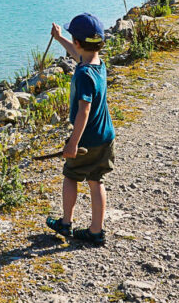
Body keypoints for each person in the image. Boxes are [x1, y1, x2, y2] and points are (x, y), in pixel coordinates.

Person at [45, 13, 115, 246]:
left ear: (78, 42)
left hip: (87, 140)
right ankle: (96, 231)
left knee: (70, 176)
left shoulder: (84, 75)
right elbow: (78, 54)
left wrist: (73, 143)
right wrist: (60, 38)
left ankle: (66, 223)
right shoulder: (97, 64)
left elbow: (84, 110)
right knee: (96, 181)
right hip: (105, 136)